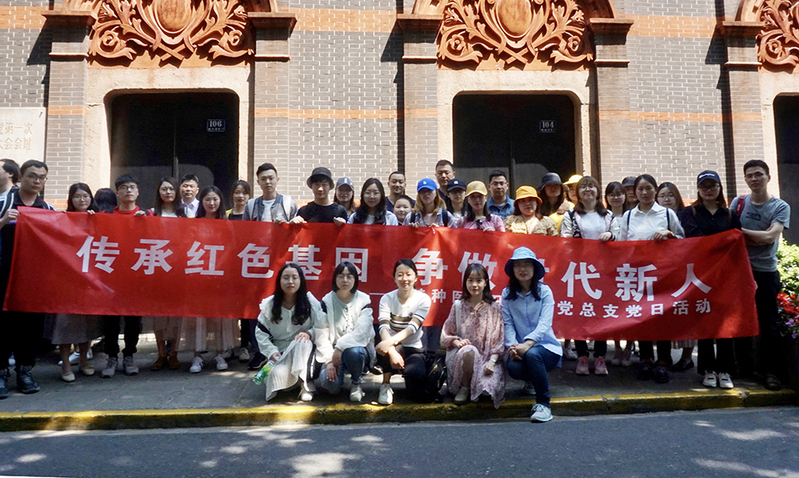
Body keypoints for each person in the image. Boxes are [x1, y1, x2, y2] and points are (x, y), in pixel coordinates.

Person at [730, 160, 790, 391]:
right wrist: (755, 236)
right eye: (750, 175)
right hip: (740, 271)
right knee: (738, 320)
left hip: (765, 272)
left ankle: (771, 372)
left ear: (768, 177)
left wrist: (740, 233)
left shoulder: (780, 206)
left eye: (759, 174)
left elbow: (770, 237)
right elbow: (731, 235)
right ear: (745, 179)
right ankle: (743, 366)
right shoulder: (738, 203)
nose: (754, 179)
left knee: (768, 323)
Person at [619, 174, 684, 384]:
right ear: (635, 192)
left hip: (663, 273)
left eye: (648, 188)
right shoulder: (629, 216)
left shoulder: (667, 214)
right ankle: (645, 360)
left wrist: (669, 235)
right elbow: (621, 245)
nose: (644, 193)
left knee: (661, 316)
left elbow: (682, 240)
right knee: (641, 316)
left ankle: (663, 361)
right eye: (640, 189)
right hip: (637, 274)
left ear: (655, 190)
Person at [679, 170, 741, 389]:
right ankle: (707, 369)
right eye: (704, 186)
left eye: (712, 186)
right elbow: (694, 238)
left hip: (725, 277)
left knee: (725, 322)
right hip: (699, 276)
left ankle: (725, 370)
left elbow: (736, 244)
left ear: (719, 188)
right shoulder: (689, 213)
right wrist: (720, 243)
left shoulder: (730, 215)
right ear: (698, 189)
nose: (708, 190)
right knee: (704, 320)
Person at [0, 160, 55, 397]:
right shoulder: (4, 203)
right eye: (32, 176)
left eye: (42, 178)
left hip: (34, 279)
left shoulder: (48, 209)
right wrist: (3, 221)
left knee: (30, 327)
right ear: (21, 176)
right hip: (4, 276)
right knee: (2, 326)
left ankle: (25, 371)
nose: (37, 181)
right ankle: (1, 373)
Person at [43, 183, 101, 382]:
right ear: (71, 199)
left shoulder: (97, 219)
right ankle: (66, 364)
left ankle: (84, 360)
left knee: (87, 323)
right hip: (67, 280)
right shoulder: (63, 219)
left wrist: (95, 221)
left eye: (85, 196)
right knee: (65, 323)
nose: (82, 200)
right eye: (77, 196)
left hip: (90, 280)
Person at [561, 176, 619, 375]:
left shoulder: (608, 215)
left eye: (591, 186)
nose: (588, 190)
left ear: (597, 191)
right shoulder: (570, 215)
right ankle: (582, 357)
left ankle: (600, 357)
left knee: (601, 315)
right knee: (580, 314)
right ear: (577, 193)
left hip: (603, 272)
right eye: (583, 187)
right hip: (579, 272)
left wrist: (611, 236)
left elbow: (619, 236)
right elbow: (564, 241)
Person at [502, 247, 562, 422]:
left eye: (527, 264)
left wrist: (527, 344)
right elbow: (508, 324)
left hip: (547, 348)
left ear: (535, 268)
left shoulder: (545, 291)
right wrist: (512, 347)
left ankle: (544, 404)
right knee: (513, 367)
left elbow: (545, 324)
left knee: (533, 354)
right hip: (520, 349)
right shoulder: (507, 294)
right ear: (512, 270)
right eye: (518, 265)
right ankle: (532, 380)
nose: (523, 269)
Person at [183, 186, 237, 373]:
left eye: (215, 199)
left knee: (219, 317)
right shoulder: (195, 223)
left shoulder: (227, 224)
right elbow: (189, 247)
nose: (211, 203)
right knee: (199, 316)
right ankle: (197, 355)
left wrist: (218, 265)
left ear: (220, 201)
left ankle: (220, 353)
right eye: (207, 199)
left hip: (220, 277)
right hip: (199, 276)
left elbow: (231, 248)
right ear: (202, 202)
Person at [101, 174, 149, 379]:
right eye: (124, 188)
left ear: (138, 192)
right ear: (117, 193)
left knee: (133, 320)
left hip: (136, 278)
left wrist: (147, 223)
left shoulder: (147, 215)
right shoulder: (106, 216)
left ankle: (129, 355)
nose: (128, 191)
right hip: (111, 277)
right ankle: (111, 357)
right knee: (110, 320)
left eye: (132, 187)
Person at [255, 263, 324, 401]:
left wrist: (309, 333)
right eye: (286, 278)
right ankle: (292, 381)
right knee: (275, 377)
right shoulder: (269, 304)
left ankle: (305, 384)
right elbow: (261, 333)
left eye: (294, 278)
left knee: (302, 341)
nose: (290, 282)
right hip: (280, 353)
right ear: (279, 281)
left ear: (301, 280)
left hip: (304, 350)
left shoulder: (310, 302)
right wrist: (271, 352)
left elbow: (322, 326)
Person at [441, 263, 505, 407]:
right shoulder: (458, 306)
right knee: (470, 350)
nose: (474, 285)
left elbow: (499, 340)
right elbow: (446, 334)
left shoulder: (494, 308)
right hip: (463, 360)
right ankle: (464, 387)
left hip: (486, 360)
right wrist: (456, 342)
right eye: (470, 280)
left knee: (486, 390)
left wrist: (492, 361)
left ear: (485, 283)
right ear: (465, 282)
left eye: (478, 280)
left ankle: (476, 385)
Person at [314, 262, 375, 402]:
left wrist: (340, 347)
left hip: (357, 349)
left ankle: (356, 383)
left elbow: (361, 332)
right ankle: (338, 375)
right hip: (332, 352)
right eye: (341, 276)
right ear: (335, 279)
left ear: (355, 279)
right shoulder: (326, 301)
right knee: (331, 385)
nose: (345, 280)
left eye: (349, 276)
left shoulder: (363, 300)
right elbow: (321, 333)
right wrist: (329, 361)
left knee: (354, 352)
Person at [375, 259, 432, 405]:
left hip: (413, 347)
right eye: (400, 275)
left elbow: (411, 328)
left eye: (408, 274)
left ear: (416, 277)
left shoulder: (423, 299)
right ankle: (385, 385)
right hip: (391, 346)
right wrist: (392, 350)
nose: (404, 279)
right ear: (394, 278)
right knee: (382, 347)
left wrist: (390, 343)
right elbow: (383, 327)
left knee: (415, 376)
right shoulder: (387, 298)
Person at [148, 177, 185, 372]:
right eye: (164, 189)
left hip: (177, 270)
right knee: (159, 315)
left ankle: (174, 353)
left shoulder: (183, 215)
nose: (168, 192)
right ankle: (161, 354)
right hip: (158, 269)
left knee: (176, 315)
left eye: (171, 189)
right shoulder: (151, 214)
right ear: (159, 192)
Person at [656, 182, 694, 373]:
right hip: (662, 273)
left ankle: (687, 357)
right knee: (663, 315)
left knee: (685, 315)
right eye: (662, 195)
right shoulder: (656, 216)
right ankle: (664, 357)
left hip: (684, 272)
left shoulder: (686, 215)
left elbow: (691, 240)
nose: (666, 199)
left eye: (670, 195)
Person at [605, 181, 634, 366]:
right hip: (609, 268)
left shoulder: (632, 215)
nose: (616, 197)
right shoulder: (604, 216)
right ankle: (616, 348)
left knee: (631, 309)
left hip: (631, 267)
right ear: (606, 198)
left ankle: (629, 347)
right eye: (612, 194)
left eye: (619, 194)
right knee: (614, 309)